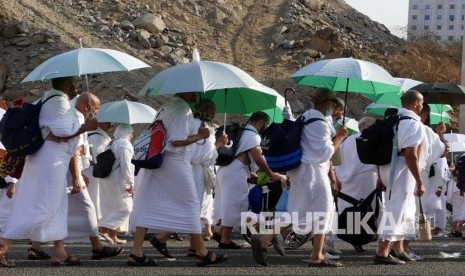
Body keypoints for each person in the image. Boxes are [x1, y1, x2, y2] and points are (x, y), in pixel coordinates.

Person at [0, 76, 98, 267]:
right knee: (43, 208)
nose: (77, 86)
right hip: (50, 162)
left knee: (58, 206)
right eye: (74, 83)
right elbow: (60, 132)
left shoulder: (47, 99)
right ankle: (3, 245)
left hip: (49, 160)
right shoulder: (58, 101)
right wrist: (86, 127)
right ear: (66, 84)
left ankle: (59, 252)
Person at [129, 92, 228, 267]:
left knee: (147, 205)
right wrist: (201, 136)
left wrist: (194, 133)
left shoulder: (165, 107)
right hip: (174, 162)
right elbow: (176, 142)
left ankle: (137, 252)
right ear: (188, 91)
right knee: (190, 204)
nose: (197, 95)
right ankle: (202, 252)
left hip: (157, 162)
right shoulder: (183, 109)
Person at [285, 88, 347, 267]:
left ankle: (316, 254)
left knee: (299, 211)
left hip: (302, 170)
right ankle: (316, 255)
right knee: (323, 211)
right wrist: (339, 138)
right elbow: (324, 153)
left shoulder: (305, 117)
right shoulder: (319, 123)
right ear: (327, 103)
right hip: (313, 172)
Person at [217, 112, 286, 250]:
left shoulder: (242, 132)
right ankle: (225, 240)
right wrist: (270, 174)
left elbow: (243, 155)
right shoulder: (252, 135)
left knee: (229, 204)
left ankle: (222, 235)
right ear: (260, 122)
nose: (264, 128)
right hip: (235, 171)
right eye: (265, 124)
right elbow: (258, 158)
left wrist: (252, 173)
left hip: (226, 169)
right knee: (236, 204)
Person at [66, 92, 122, 260]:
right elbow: (74, 151)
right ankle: (97, 247)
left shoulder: (78, 120)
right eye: (96, 108)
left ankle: (39, 247)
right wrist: (77, 176)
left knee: (57, 209)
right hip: (71, 172)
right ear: (86, 107)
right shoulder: (78, 121)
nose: (98, 112)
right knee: (88, 208)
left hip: (73, 171)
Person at [375, 90, 427, 265]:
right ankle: (382, 252)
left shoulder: (394, 120)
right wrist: (419, 181)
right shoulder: (413, 123)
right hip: (401, 169)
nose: (422, 106)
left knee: (405, 209)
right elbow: (411, 155)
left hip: (388, 166)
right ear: (414, 104)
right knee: (396, 210)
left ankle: (399, 249)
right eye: (421, 103)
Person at [335, 116, 377, 253]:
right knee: (366, 209)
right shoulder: (370, 139)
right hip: (366, 178)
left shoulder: (346, 141)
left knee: (350, 208)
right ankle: (363, 237)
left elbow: (337, 160)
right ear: (370, 127)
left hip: (344, 180)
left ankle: (355, 239)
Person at [99, 124, 135, 244]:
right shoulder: (125, 144)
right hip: (118, 180)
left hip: (107, 179)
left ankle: (113, 235)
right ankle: (103, 228)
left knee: (113, 207)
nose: (132, 135)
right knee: (126, 208)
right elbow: (127, 165)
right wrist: (131, 182)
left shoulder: (112, 142)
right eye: (131, 132)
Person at [84, 122, 113, 223]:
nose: (109, 126)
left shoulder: (88, 133)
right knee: (95, 198)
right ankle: (95, 223)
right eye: (108, 124)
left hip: (87, 169)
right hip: (94, 171)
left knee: (91, 197)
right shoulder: (98, 136)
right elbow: (99, 156)